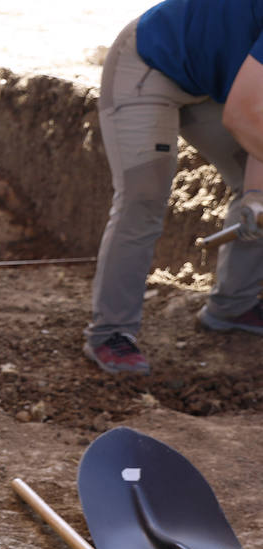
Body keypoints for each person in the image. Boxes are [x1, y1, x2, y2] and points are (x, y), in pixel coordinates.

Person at [85, 0, 263, 375]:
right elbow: (244, 115)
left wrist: (254, 195)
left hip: (211, 84)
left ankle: (232, 306)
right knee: (144, 196)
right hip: (149, 63)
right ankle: (110, 333)